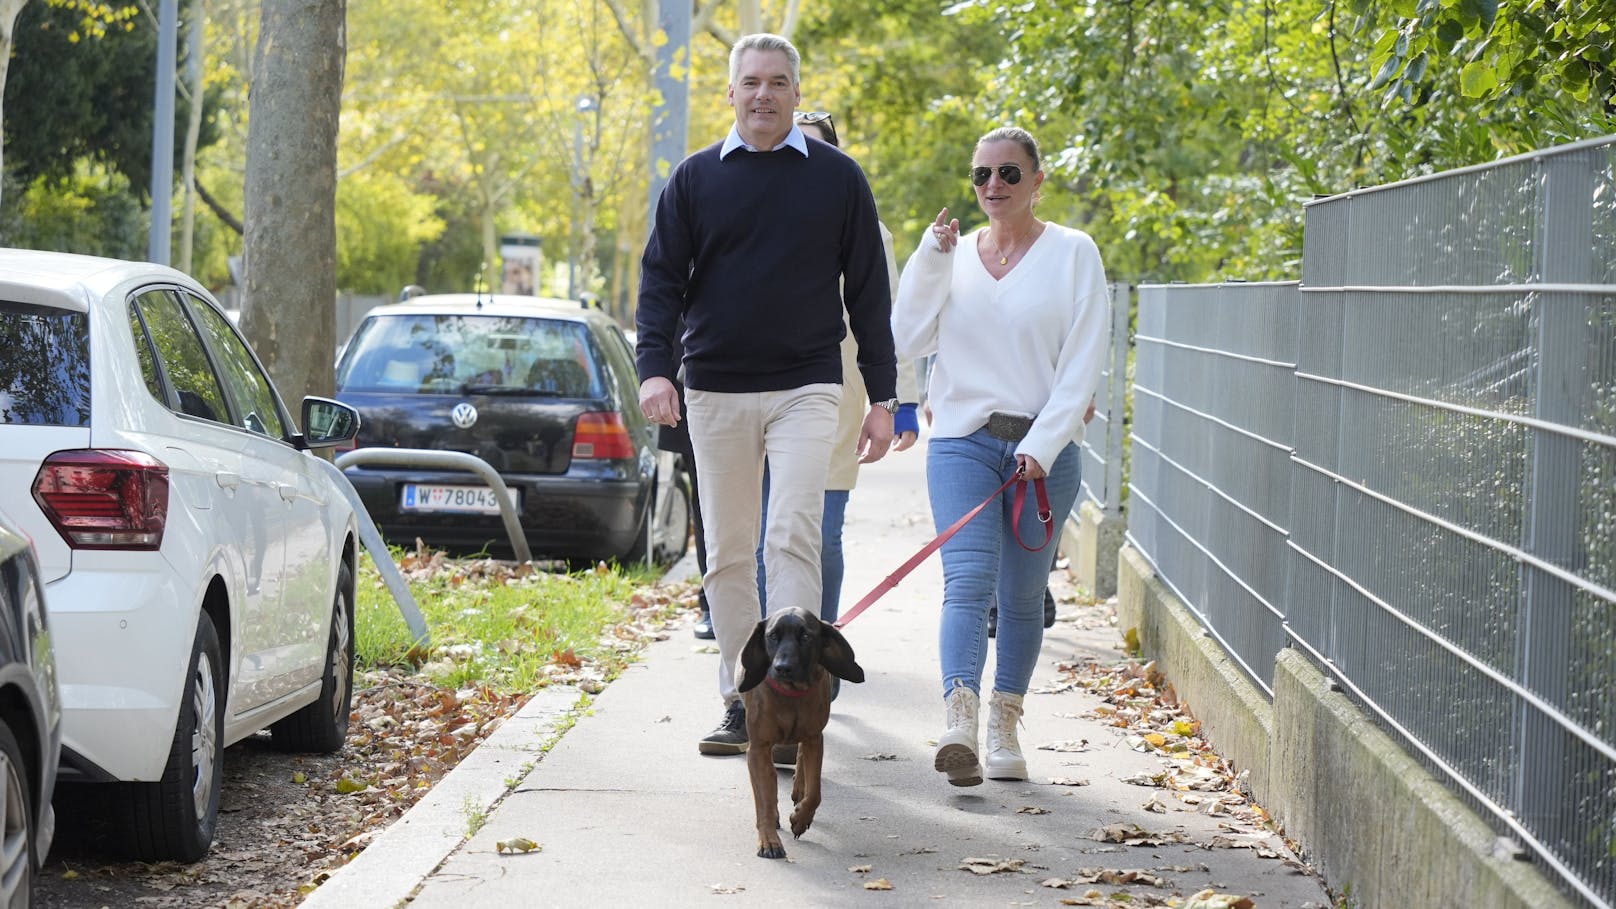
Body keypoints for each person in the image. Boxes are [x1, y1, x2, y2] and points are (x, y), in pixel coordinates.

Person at [636, 33, 899, 757]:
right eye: (750, 82)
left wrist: (883, 396)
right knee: (724, 550)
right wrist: (654, 369)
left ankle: (794, 705)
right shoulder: (693, 180)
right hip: (715, 390)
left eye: (777, 83)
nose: (763, 95)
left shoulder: (838, 179)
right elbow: (661, 281)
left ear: (794, 92)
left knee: (790, 534)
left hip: (807, 386)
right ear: (730, 93)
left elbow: (869, 292)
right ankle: (741, 698)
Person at [892, 126, 1109, 787]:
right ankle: (959, 720)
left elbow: (1084, 360)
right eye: (981, 175)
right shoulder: (949, 256)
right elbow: (904, 337)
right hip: (963, 439)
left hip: (1044, 451)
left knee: (1020, 595)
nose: (993, 187)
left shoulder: (1073, 253)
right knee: (967, 584)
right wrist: (931, 257)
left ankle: (1004, 724)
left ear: (1038, 181)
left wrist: (1044, 445)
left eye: (1009, 174)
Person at [753, 110, 920, 730]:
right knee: (764, 538)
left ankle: (817, 659)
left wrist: (894, 401)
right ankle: (765, 673)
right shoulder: (754, 209)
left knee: (818, 535)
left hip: (835, 401)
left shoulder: (864, 226)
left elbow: (889, 320)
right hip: (755, 399)